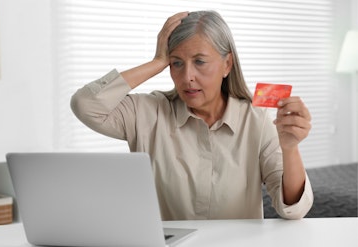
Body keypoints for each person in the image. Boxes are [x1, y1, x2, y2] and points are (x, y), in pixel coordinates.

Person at [71, 11, 313, 220]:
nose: (187, 77)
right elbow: (85, 105)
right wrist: (157, 62)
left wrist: (290, 148)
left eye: (199, 61)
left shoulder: (256, 120)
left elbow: (292, 209)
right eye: (176, 63)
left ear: (227, 64)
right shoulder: (147, 112)